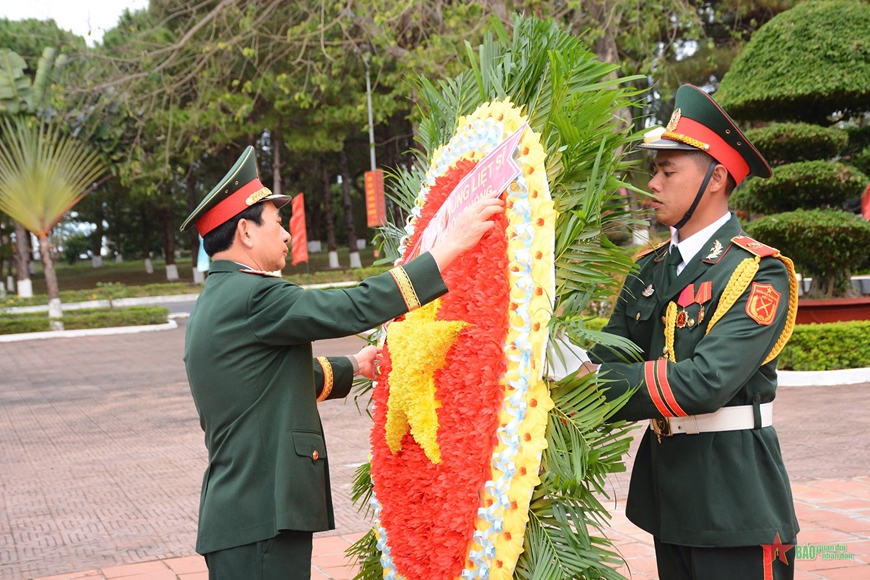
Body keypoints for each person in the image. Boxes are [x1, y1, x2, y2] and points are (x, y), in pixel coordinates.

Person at [179, 146, 504, 579]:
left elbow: (266, 382)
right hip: (261, 515)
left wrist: (355, 364)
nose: (287, 235)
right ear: (246, 231)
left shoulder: (217, 300)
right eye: (277, 224)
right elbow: (350, 307)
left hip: (246, 513)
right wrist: (448, 248)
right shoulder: (253, 296)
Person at [581, 85, 800, 579]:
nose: (652, 184)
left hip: (735, 498)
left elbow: (706, 382)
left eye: (667, 170)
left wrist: (584, 379)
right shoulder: (650, 267)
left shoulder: (757, 271)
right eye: (653, 170)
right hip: (670, 495)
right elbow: (609, 354)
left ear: (717, 178)